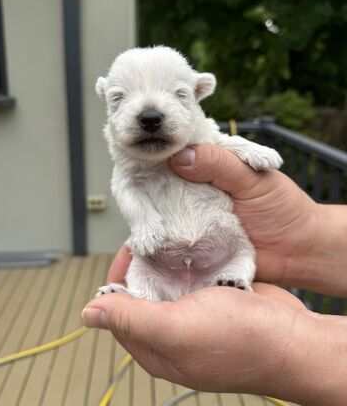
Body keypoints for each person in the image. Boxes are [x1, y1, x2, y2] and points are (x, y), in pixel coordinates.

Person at [82, 145, 347, 406]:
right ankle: (138, 298)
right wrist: (310, 228)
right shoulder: (128, 165)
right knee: (141, 267)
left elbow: (216, 138)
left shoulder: (201, 138)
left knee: (239, 257)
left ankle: (232, 280)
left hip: (220, 256)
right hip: (165, 262)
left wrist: (292, 344)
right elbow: (126, 186)